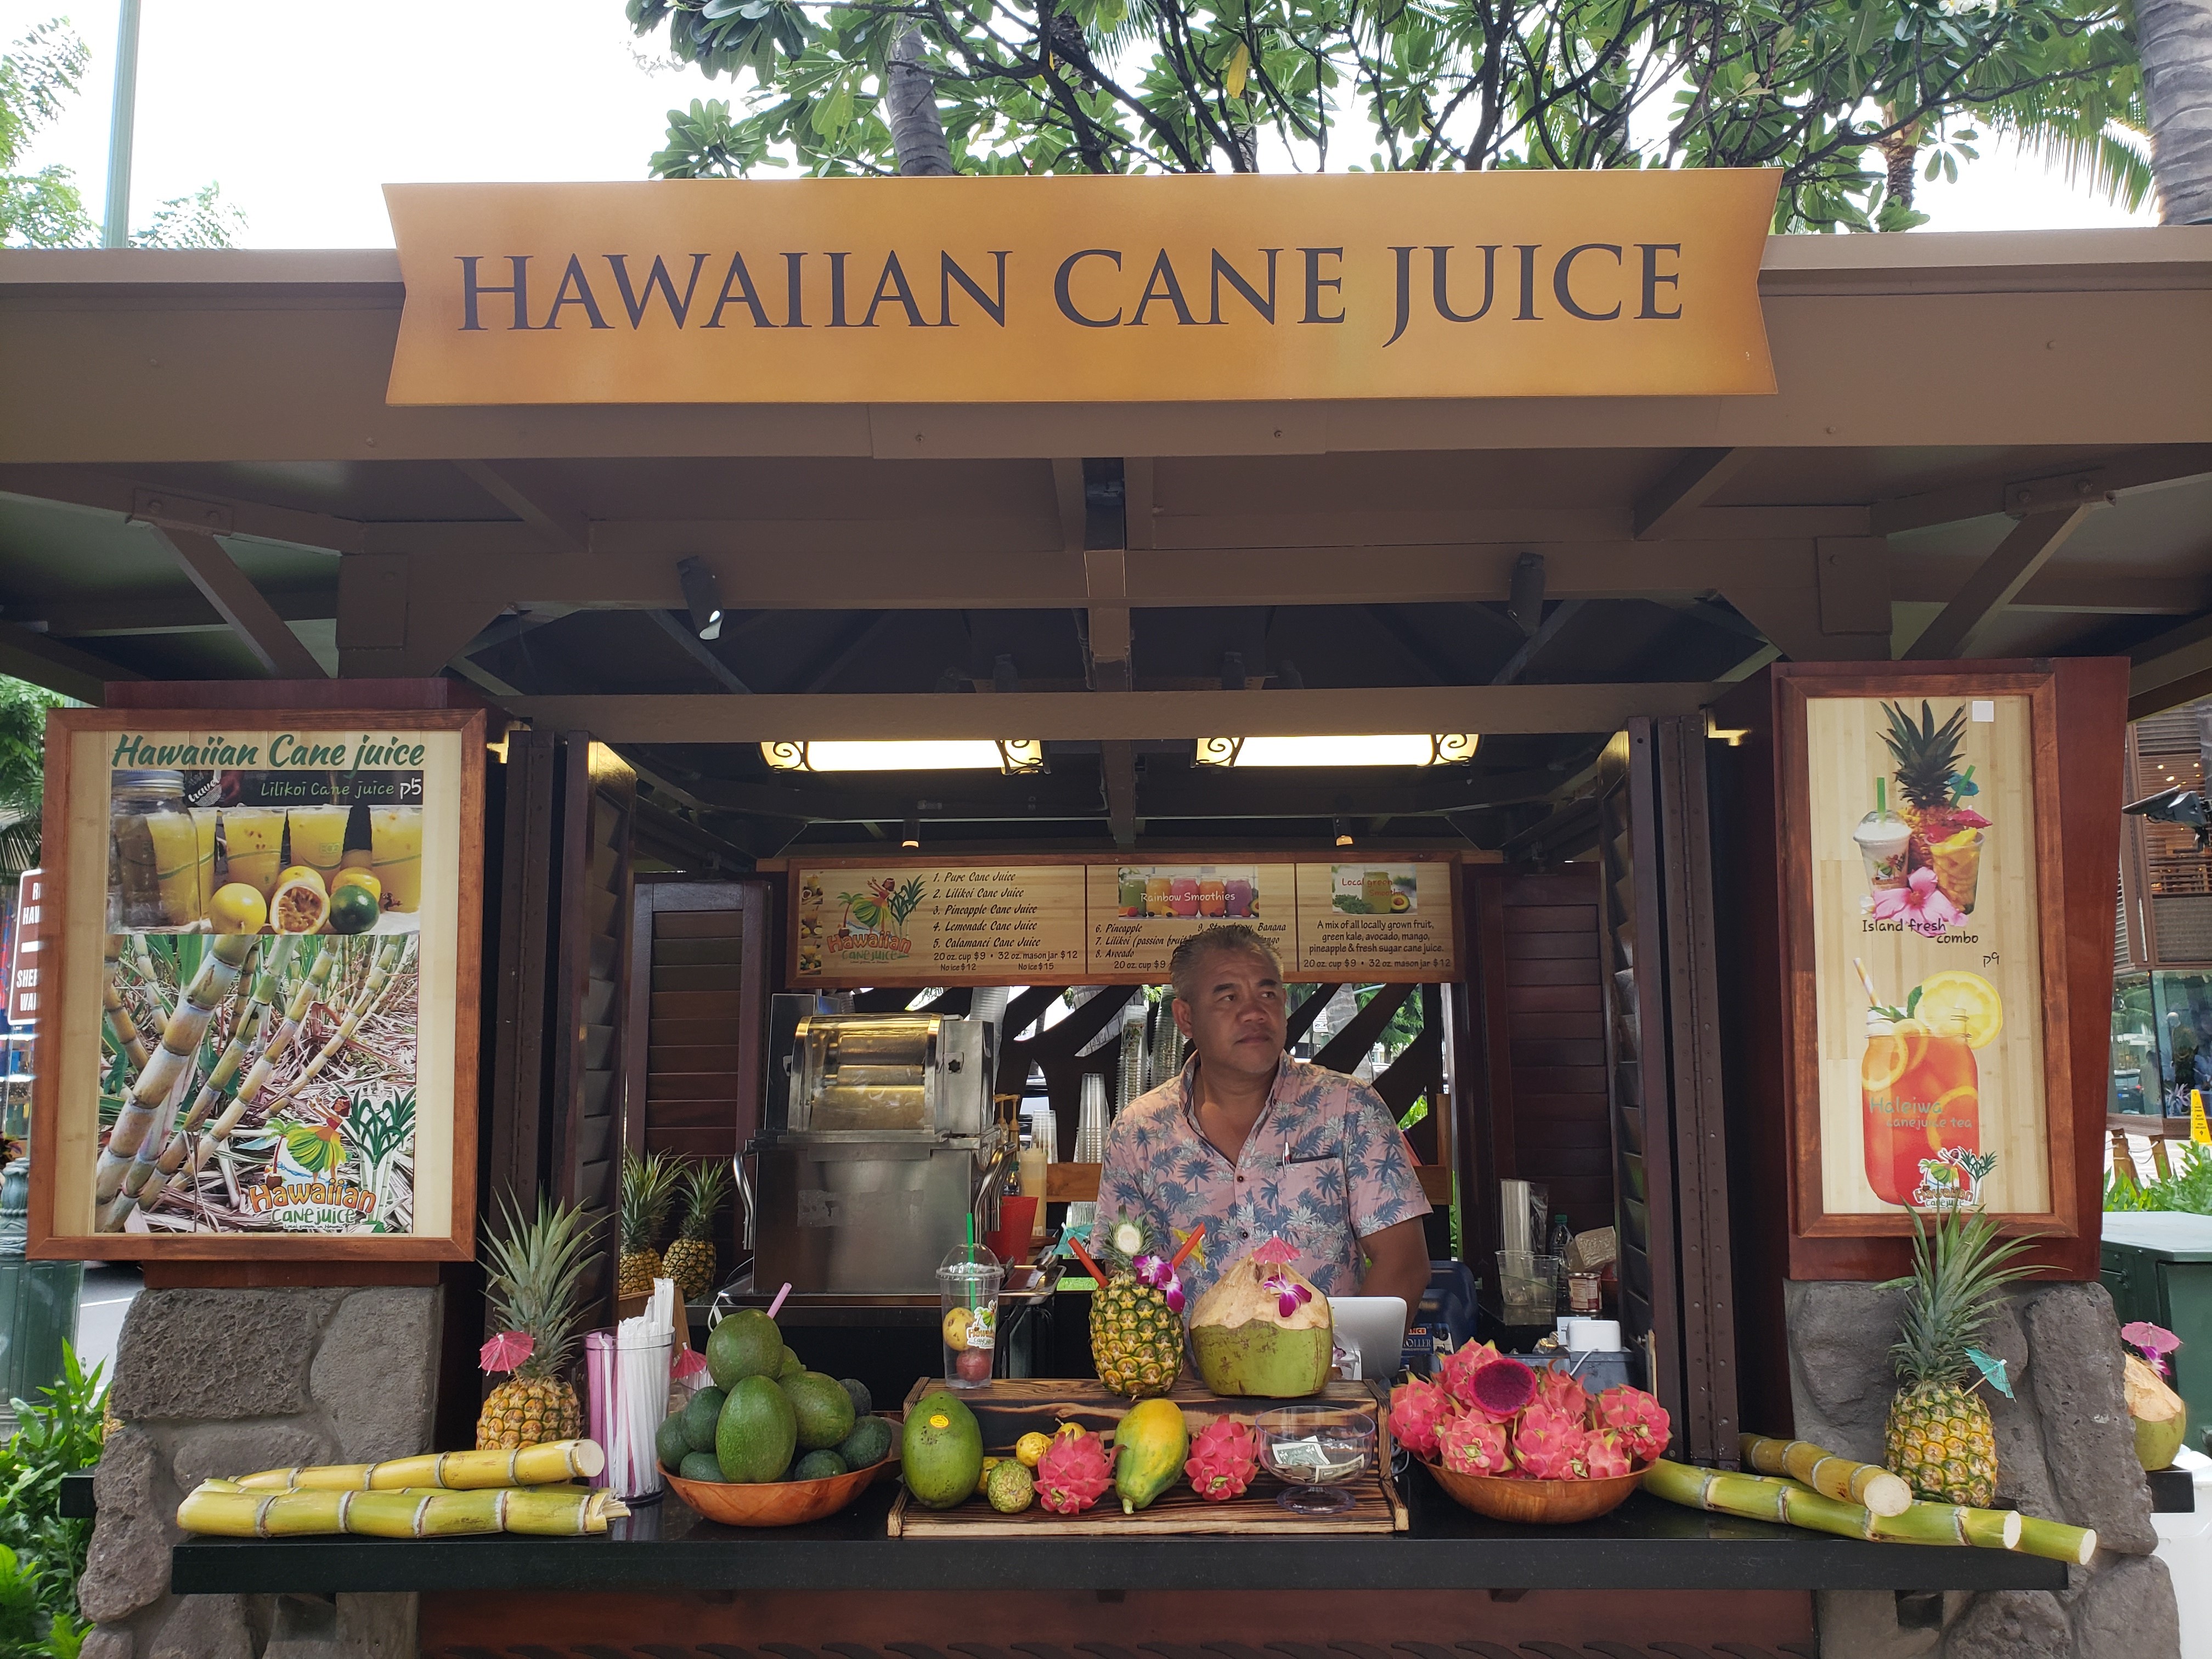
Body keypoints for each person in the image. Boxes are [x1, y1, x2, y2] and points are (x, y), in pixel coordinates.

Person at [1093, 922, 1432, 1319]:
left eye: (1268, 993)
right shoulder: (1140, 1132)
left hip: (1330, 1375)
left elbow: (1404, 1265)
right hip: (1187, 1380)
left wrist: (1338, 1364)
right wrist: (1175, 1381)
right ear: (1186, 1018)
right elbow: (1127, 1278)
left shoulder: (1348, 1109)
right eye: (1228, 997)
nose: (1254, 1012)